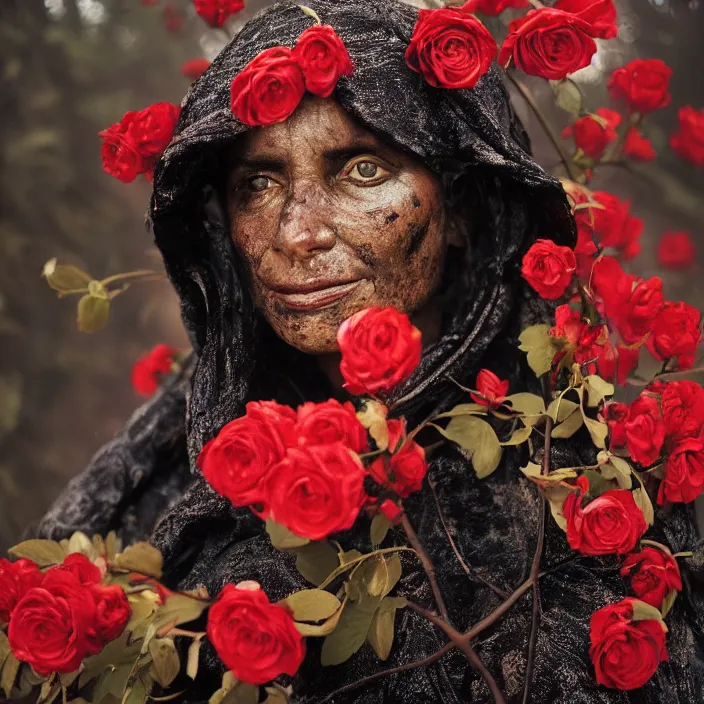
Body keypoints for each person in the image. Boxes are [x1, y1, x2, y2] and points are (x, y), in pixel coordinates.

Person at [37, 1, 704, 702]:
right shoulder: (188, 441)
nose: (296, 232)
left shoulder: (576, 501)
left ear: (462, 207)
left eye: (359, 170)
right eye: (257, 184)